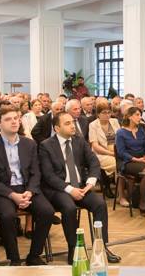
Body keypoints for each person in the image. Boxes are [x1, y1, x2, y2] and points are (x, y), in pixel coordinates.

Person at [39, 111, 121, 264]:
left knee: (100, 204)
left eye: (72, 122)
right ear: (57, 128)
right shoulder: (46, 146)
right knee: (69, 208)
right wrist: (70, 190)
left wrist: (90, 183)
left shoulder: (79, 141)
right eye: (67, 123)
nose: (72, 126)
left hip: (81, 186)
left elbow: (94, 162)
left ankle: (101, 247)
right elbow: (48, 175)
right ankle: (74, 248)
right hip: (59, 189)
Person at [0, 108, 55, 266]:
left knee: (47, 212)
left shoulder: (29, 144)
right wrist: (12, 195)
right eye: (8, 119)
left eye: (16, 118)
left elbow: (36, 172)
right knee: (7, 215)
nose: (14, 121)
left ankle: (34, 255)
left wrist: (30, 191)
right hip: (3, 191)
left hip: (26, 188)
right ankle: (14, 259)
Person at [114, 106, 145, 211]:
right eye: (137, 115)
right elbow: (121, 152)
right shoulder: (120, 132)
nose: (140, 117)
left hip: (142, 160)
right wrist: (137, 159)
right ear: (129, 117)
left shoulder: (141, 130)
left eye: (140, 115)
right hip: (127, 162)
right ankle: (142, 201)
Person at [87, 98, 121, 182]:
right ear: (98, 114)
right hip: (101, 153)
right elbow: (95, 146)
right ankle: (118, 185)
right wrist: (111, 153)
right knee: (117, 163)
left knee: (126, 163)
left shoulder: (115, 121)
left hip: (117, 150)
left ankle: (121, 185)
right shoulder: (93, 125)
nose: (107, 115)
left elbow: (121, 139)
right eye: (104, 113)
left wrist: (118, 152)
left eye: (109, 112)